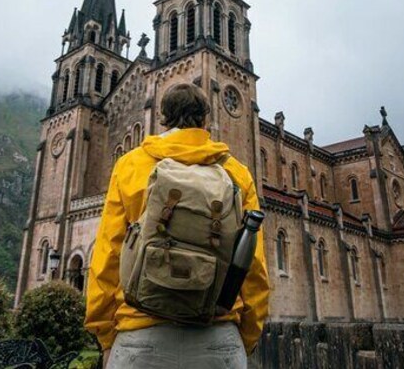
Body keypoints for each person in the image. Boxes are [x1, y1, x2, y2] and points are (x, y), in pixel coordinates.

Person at [86, 83, 269, 368]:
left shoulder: (130, 165)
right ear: (205, 119)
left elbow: (107, 256)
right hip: (217, 332)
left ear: (162, 116)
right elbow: (253, 268)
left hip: (139, 334)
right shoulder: (237, 173)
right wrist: (244, 336)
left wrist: (106, 334)